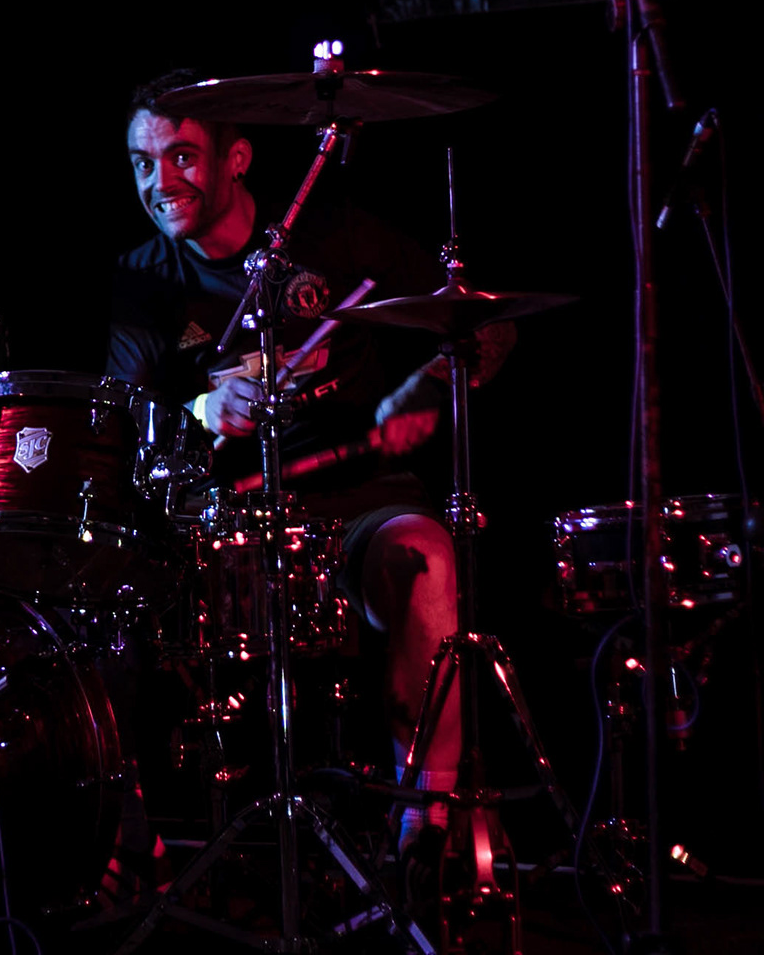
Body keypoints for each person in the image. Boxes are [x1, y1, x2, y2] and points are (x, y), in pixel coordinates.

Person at [106, 70, 512, 871]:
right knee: (99, 600)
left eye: (181, 156)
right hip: (221, 518)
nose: (160, 182)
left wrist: (425, 391)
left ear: (237, 159)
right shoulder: (144, 276)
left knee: (426, 556)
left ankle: (424, 828)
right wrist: (200, 410)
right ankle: (124, 844)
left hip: (358, 499)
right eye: (142, 163)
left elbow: (486, 325)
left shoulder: (338, 237)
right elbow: (123, 424)